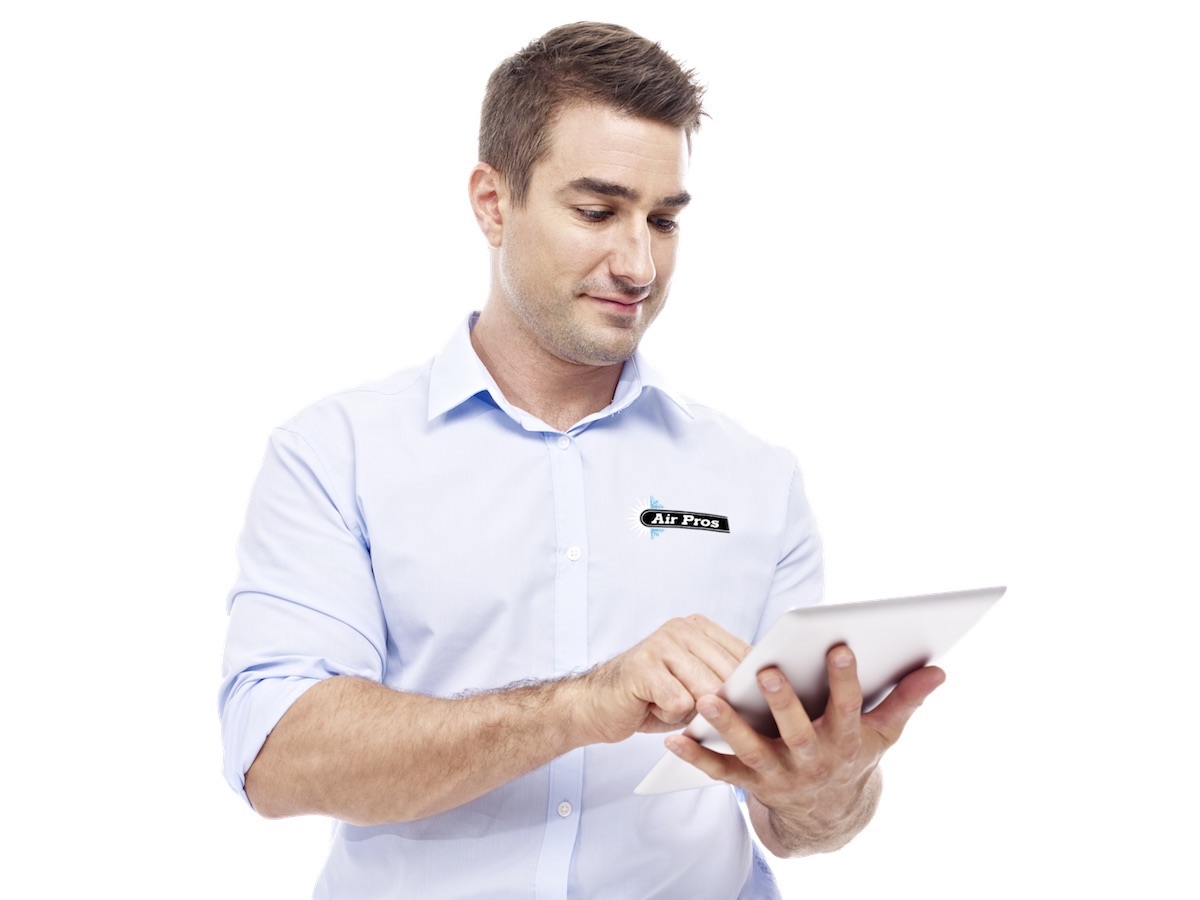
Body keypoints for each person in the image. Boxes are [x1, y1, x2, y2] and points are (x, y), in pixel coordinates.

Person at [219, 21, 945, 899]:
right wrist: (578, 704)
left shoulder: (756, 479)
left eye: (664, 219)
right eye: (597, 211)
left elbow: (800, 824)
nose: (638, 262)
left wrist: (826, 788)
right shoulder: (336, 454)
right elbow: (277, 757)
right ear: (493, 202)